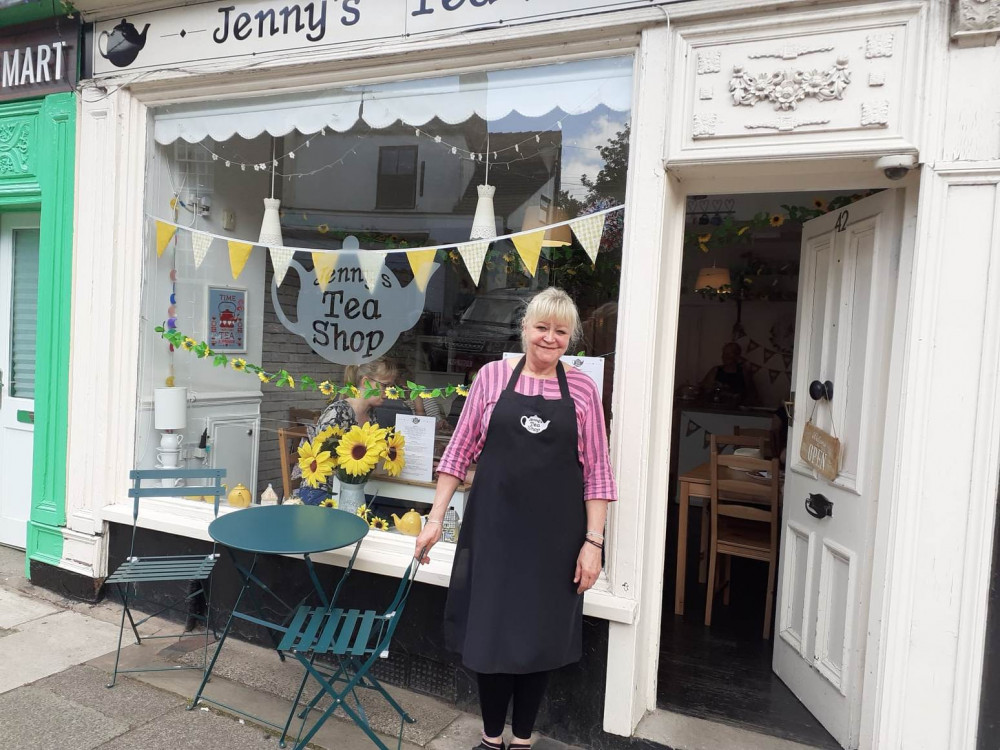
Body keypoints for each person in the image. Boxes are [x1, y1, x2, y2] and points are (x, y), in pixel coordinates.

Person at [414, 287, 618, 750]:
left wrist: (594, 543)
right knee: (490, 633)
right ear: (524, 329)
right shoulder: (491, 378)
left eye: (560, 332)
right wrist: (433, 519)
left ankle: (522, 740)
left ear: (571, 338)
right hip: (493, 530)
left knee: (540, 636)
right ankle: (490, 740)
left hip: (556, 539)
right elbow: (458, 454)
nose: (550, 339)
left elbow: (599, 473)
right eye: (541, 328)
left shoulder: (583, 388)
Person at [295, 357, 400, 505]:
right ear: (365, 383)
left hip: (352, 491)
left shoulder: (371, 415)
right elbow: (321, 465)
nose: (389, 392)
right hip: (322, 493)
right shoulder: (337, 413)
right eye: (385, 385)